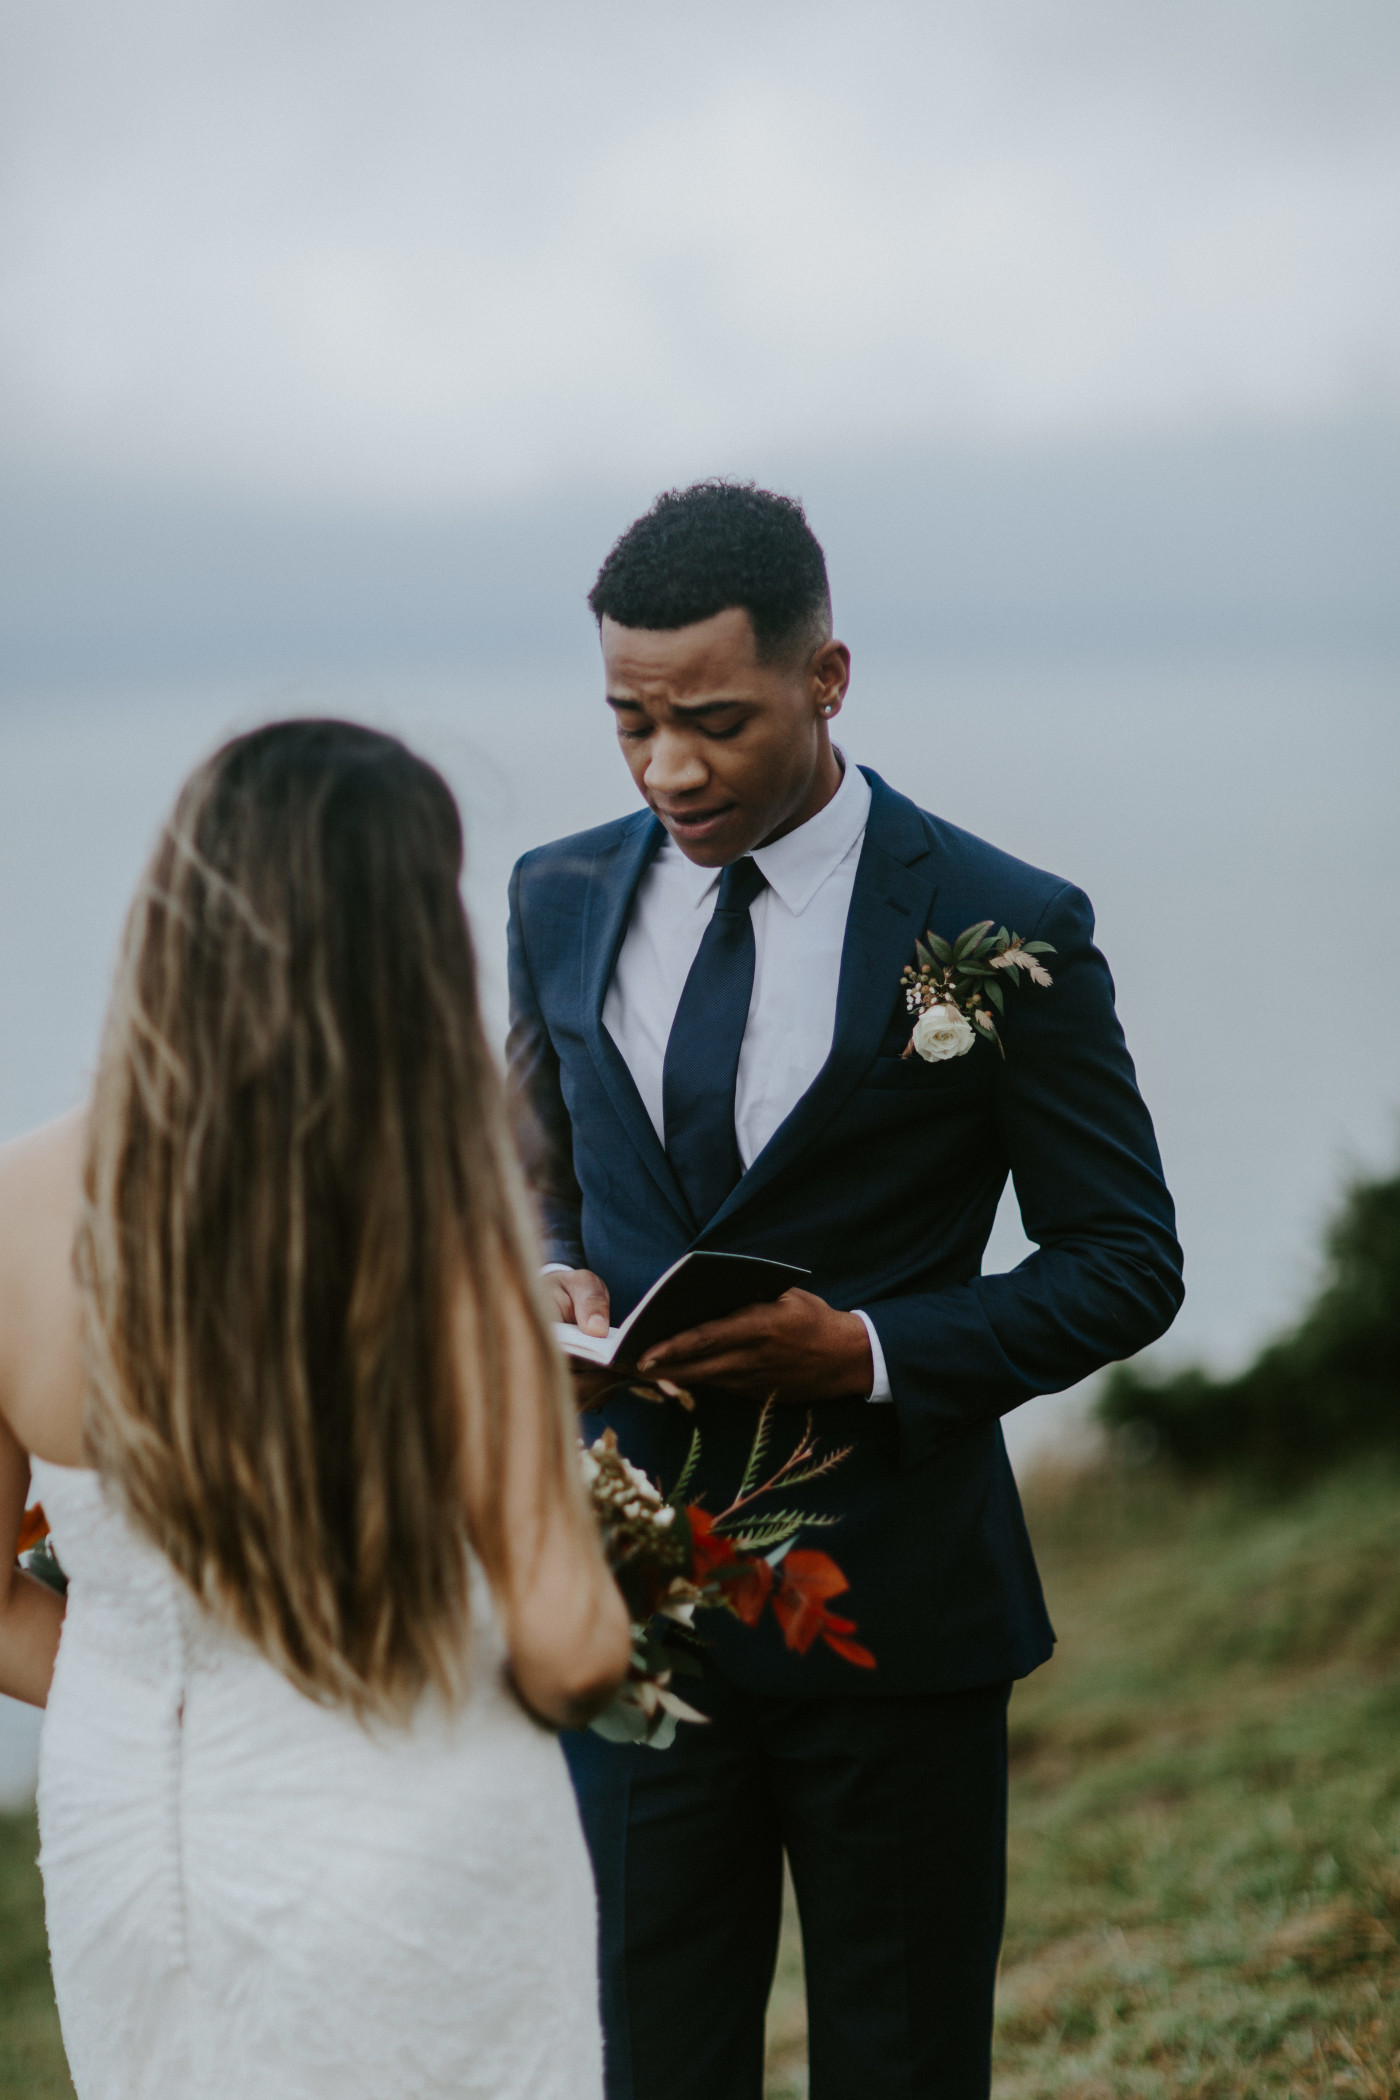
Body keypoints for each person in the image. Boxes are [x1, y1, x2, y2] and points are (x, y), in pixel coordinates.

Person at [507, 481, 1185, 2100]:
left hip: (899, 1614)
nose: (669, 769)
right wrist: (539, 1270)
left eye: (717, 722)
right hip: (630, 1609)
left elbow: (1125, 1261)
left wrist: (868, 1351)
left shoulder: (1004, 926)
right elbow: (531, 1159)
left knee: (899, 2064)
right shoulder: (552, 895)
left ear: (828, 678)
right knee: (645, 2065)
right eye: (631, 724)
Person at [0, 719, 631, 2100]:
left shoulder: (10, 1210)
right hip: (418, 1833)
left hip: (132, 1844)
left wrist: (156, 1697)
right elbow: (575, 1649)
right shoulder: (438, 1233)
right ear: (405, 945)